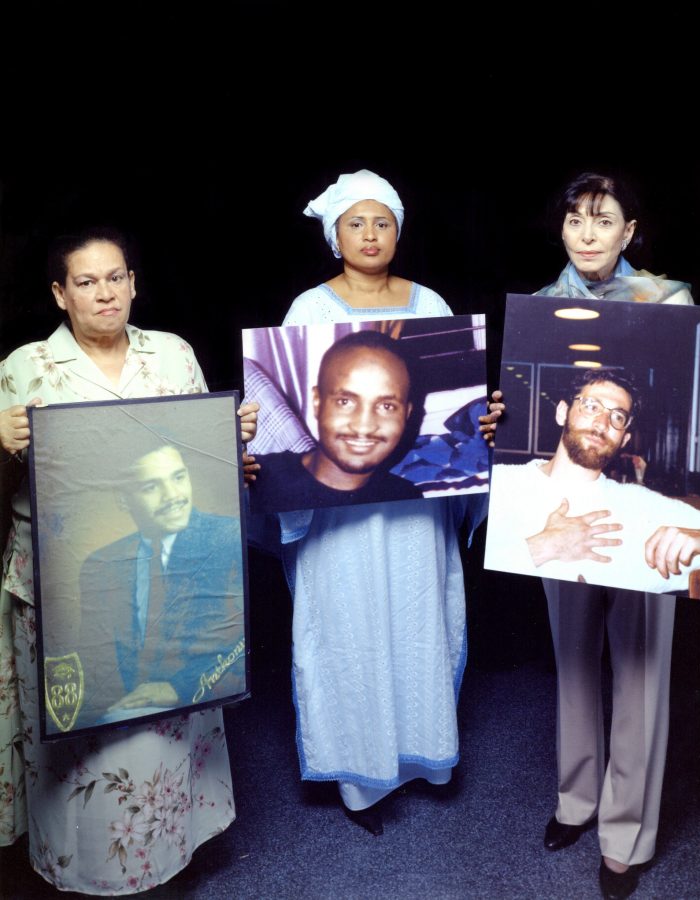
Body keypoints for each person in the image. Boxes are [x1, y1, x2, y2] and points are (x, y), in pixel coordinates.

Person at [0, 228, 257, 894]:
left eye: (115, 277)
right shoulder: (24, 367)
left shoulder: (172, 355)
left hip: (173, 576)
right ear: (60, 294)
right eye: (86, 282)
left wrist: (232, 443)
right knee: (82, 735)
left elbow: (205, 467)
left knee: (165, 722)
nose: (104, 293)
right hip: (64, 589)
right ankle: (81, 871)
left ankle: (166, 856)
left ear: (134, 283)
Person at [247, 169, 500, 835]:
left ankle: (425, 759)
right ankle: (360, 778)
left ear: (397, 232)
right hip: (336, 520)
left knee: (417, 617)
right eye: (355, 223)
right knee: (348, 624)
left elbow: (451, 414)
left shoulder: (431, 304)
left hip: (415, 511)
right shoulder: (309, 310)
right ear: (334, 236)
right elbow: (288, 423)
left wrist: (479, 428)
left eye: (381, 221)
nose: (369, 234)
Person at [525, 173, 700, 900]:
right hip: (557, 506)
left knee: (638, 669)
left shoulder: (669, 300)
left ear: (629, 232)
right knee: (571, 658)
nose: (586, 234)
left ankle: (624, 834)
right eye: (573, 221)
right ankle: (577, 800)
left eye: (602, 221)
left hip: (644, 511)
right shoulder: (537, 309)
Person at [486, 368, 700, 592]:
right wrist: (544, 546)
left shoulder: (642, 508)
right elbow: (456, 573)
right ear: (563, 412)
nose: (603, 424)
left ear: (624, 439)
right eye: (591, 406)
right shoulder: (498, 484)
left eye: (618, 417)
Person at [76, 440, 245, 728]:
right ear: (123, 499)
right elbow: (94, 664)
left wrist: (180, 687)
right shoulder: (100, 564)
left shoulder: (228, 537)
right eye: (151, 487)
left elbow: (244, 639)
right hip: (122, 716)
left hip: (198, 706)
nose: (173, 496)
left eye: (178, 477)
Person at [251, 330, 423, 511]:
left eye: (386, 406)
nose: (364, 426)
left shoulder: (406, 499)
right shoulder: (254, 480)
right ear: (318, 403)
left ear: (406, 414)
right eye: (345, 402)